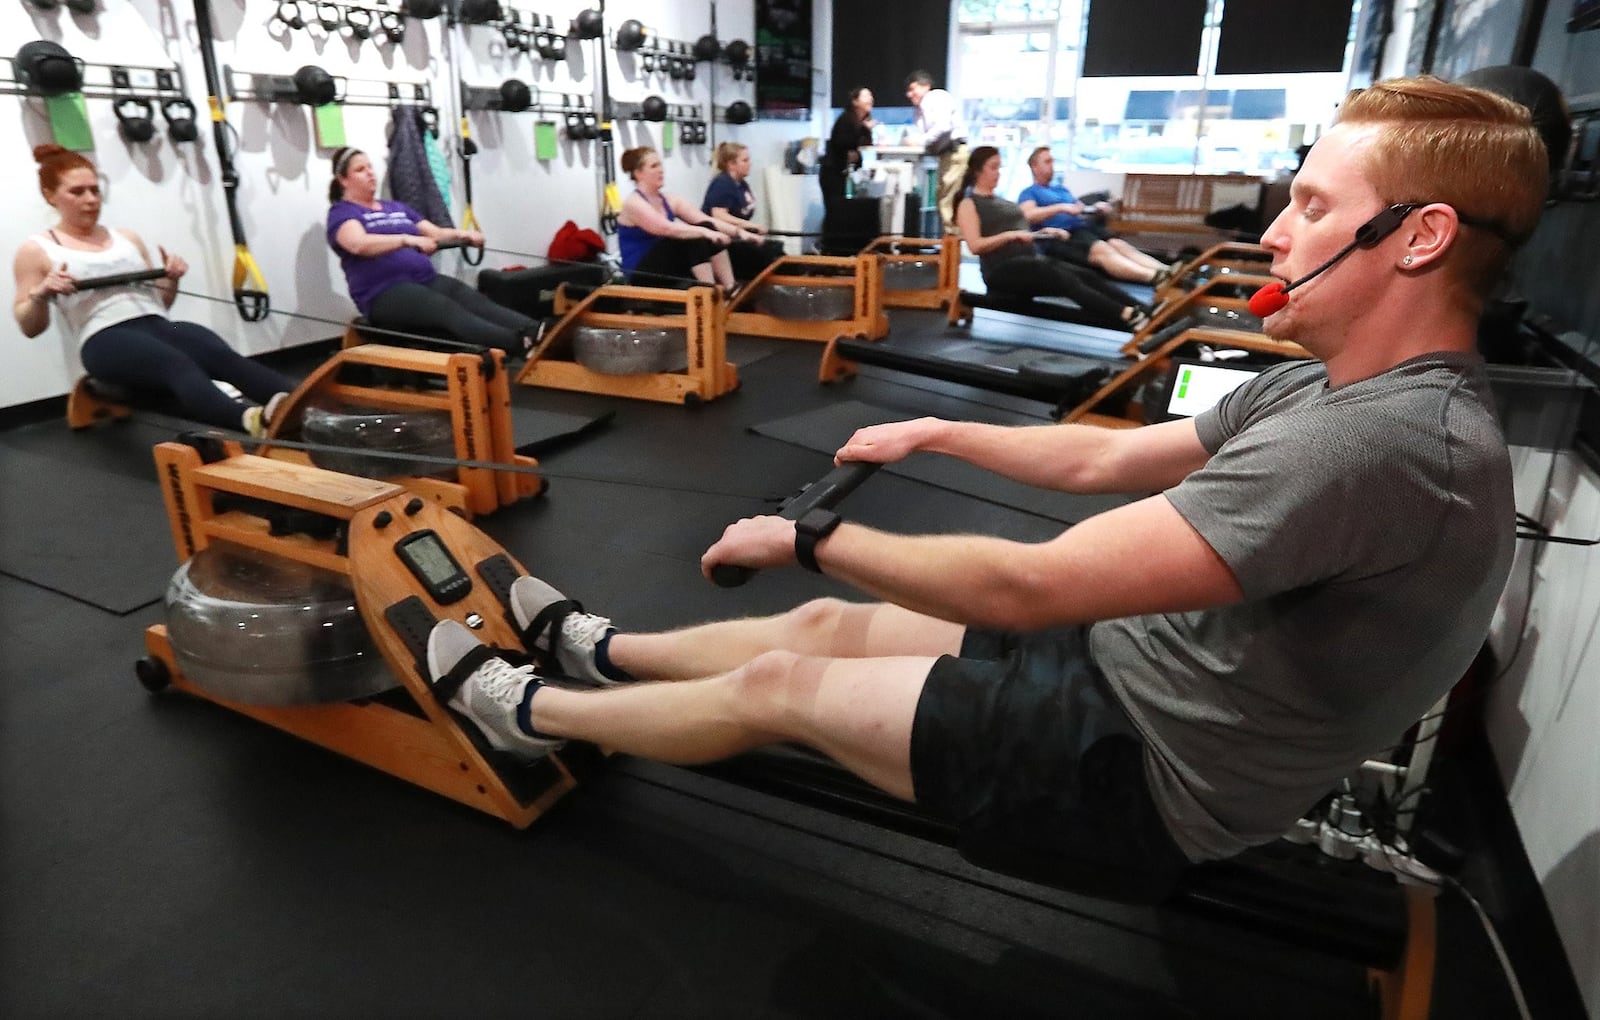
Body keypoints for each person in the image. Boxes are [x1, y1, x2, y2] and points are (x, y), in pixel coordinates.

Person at [424, 77, 1544, 890]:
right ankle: (594, 646)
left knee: (786, 685)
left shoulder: (1380, 444)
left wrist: (802, 535)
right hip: (1128, 669)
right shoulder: (1323, 388)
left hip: (1151, 771)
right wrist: (932, 430)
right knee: (821, 627)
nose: (1278, 235)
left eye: (1309, 206)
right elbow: (1104, 455)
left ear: (1417, 237)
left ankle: (533, 714)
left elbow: (1029, 587)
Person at [13, 145, 295, 435]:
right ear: (50, 196)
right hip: (103, 338)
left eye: (95, 190)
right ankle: (250, 421)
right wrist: (41, 294)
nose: (91, 200)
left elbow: (161, 303)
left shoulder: (126, 238)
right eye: (77, 192)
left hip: (156, 324)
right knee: (176, 363)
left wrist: (170, 280)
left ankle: (307, 407)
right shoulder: (36, 249)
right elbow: (29, 326)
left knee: (219, 352)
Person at [326, 147, 539, 355]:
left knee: (472, 299)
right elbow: (358, 244)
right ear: (343, 180)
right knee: (446, 309)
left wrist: (464, 235)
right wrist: (406, 240)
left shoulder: (395, 208)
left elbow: (435, 233)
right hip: (382, 292)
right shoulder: (342, 213)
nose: (370, 173)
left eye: (370, 167)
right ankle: (519, 344)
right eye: (360, 170)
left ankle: (537, 330)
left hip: (423, 279)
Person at [955, 147, 1151, 331]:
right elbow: (975, 246)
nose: (998, 173)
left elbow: (1022, 234)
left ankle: (1143, 308)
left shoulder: (1002, 200)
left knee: (1087, 275)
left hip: (1029, 262)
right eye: (993, 167)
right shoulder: (969, 203)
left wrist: (1046, 231)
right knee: (1061, 279)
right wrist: (1010, 235)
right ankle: (1128, 316)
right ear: (977, 171)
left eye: (999, 167)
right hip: (1001, 271)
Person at [1017, 147, 1178, 287]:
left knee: (1118, 244)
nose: (1052, 165)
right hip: (1061, 236)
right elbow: (1028, 215)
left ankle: (1169, 271)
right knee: (1102, 249)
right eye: (1047, 161)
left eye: (1052, 161)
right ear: (1034, 167)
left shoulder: (1061, 189)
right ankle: (1156, 278)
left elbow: (1079, 208)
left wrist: (1096, 209)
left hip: (1082, 227)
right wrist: (1060, 207)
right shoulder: (1029, 192)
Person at [617, 147, 761, 293]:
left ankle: (730, 287)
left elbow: (705, 219)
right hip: (641, 274)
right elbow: (667, 228)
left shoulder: (669, 200)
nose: (661, 170)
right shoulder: (633, 203)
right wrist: (705, 233)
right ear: (638, 173)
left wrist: (740, 232)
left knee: (704, 226)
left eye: (660, 164)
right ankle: (709, 293)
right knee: (694, 235)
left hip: (665, 267)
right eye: (654, 166)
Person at [701, 142, 785, 281]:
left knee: (776, 249)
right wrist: (749, 226)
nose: (750, 164)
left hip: (739, 236)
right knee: (767, 254)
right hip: (721, 242)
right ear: (731, 164)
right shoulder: (723, 183)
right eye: (745, 160)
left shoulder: (742, 184)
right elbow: (719, 215)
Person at [905, 71, 967, 232]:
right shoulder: (920, 109)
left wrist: (920, 141)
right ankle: (949, 246)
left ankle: (952, 249)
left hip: (954, 153)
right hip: (946, 155)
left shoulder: (935, 97)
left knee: (948, 202)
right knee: (944, 200)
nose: (909, 94)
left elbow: (943, 126)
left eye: (913, 89)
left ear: (925, 86)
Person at [818, 86, 876, 247]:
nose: (870, 99)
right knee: (834, 210)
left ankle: (837, 245)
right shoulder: (846, 119)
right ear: (855, 101)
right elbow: (842, 142)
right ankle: (828, 247)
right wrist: (864, 129)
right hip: (831, 172)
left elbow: (865, 144)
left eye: (871, 96)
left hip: (843, 173)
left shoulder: (861, 122)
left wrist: (866, 130)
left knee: (841, 210)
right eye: (866, 96)